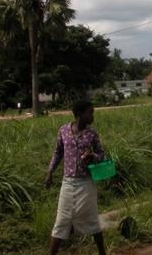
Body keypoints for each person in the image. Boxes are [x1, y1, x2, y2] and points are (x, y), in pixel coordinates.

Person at [45, 100, 107, 255]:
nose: (92, 116)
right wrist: (50, 172)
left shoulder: (92, 133)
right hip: (68, 183)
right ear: (79, 114)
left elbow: (101, 155)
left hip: (86, 183)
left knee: (92, 220)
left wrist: (92, 156)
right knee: (61, 221)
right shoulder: (63, 131)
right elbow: (58, 153)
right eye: (90, 113)